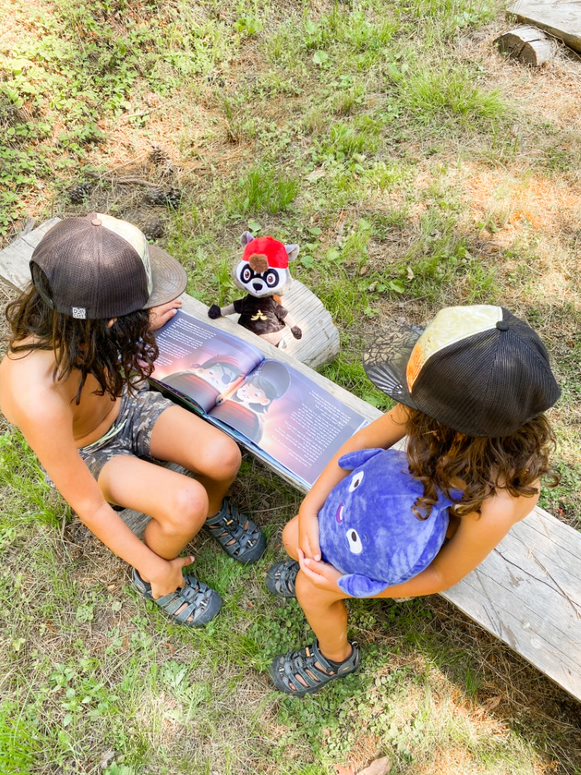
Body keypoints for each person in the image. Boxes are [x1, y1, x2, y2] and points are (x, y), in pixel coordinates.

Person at [265, 305, 561, 695]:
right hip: (408, 504)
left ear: (451, 426)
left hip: (427, 544)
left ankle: (335, 656)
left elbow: (443, 575)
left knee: (311, 588)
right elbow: (364, 442)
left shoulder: (497, 503)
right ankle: (321, 570)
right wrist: (309, 507)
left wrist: (351, 584)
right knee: (293, 537)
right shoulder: (438, 411)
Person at [0, 213, 266, 628]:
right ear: (109, 322)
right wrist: (152, 565)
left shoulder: (75, 324)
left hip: (127, 404)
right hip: (92, 452)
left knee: (223, 455)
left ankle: (216, 510)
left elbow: (107, 356)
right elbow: (87, 502)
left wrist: (140, 327)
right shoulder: (34, 393)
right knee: (185, 503)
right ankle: (153, 574)